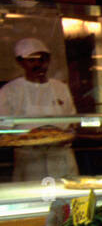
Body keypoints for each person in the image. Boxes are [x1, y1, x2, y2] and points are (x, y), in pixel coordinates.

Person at [0, 37, 78, 181]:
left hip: (61, 157)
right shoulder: (9, 91)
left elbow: (72, 122)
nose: (38, 64)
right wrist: (29, 136)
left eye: (42, 60)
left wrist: (67, 132)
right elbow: (5, 130)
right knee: (31, 200)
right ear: (20, 62)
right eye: (32, 60)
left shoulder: (60, 87)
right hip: (30, 160)